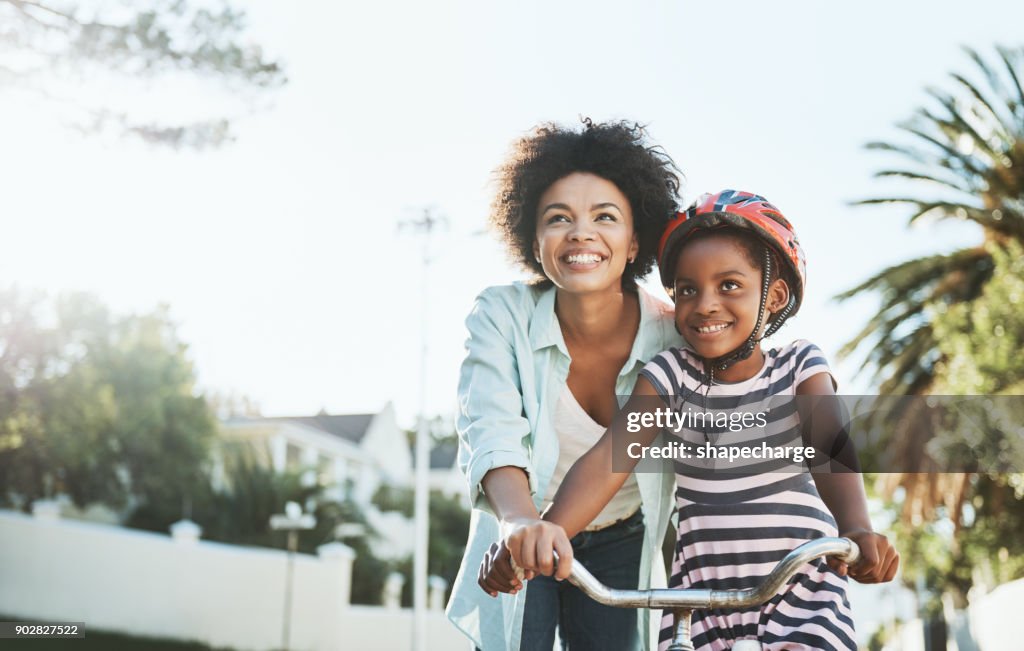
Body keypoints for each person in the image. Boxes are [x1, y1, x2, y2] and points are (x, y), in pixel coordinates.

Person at [494, 190, 900, 650]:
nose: (705, 304)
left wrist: (857, 527)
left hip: (800, 595)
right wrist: (542, 536)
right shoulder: (670, 376)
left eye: (729, 285)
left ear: (774, 296)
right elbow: (611, 458)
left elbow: (831, 451)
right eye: (687, 290)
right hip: (702, 603)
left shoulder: (799, 367)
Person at [446, 119, 683, 651]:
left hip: (623, 535)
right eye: (559, 218)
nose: (581, 233)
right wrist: (517, 524)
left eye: (605, 216)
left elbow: (621, 453)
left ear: (634, 239)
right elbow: (490, 426)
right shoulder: (500, 315)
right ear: (534, 239)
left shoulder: (673, 337)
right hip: (518, 528)